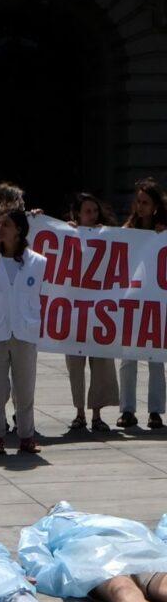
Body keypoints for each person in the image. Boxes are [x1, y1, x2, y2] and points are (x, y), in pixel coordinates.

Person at [19, 501, 167, 602]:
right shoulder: (43, 527)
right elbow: (35, 556)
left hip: (103, 555)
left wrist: (55, 578)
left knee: (123, 589)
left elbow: (36, 558)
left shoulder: (43, 528)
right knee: (127, 587)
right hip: (105, 554)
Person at [0, 207, 47, 457]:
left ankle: (26, 435)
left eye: (5, 224)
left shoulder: (37, 262)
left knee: (25, 387)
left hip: (24, 332)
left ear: (18, 229)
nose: (0, 229)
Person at [64, 192, 120, 433]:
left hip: (99, 312)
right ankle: (79, 414)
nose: (92, 215)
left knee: (101, 365)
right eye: (87, 211)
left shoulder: (108, 235)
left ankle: (96, 414)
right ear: (76, 213)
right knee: (75, 365)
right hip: (74, 311)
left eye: (95, 211)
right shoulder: (66, 233)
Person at [117, 177, 167, 431]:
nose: (140, 207)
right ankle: (127, 410)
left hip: (156, 303)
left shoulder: (164, 233)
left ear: (156, 205)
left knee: (156, 358)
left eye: (145, 202)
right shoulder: (127, 231)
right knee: (128, 358)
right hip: (131, 302)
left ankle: (156, 411)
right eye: (138, 201)